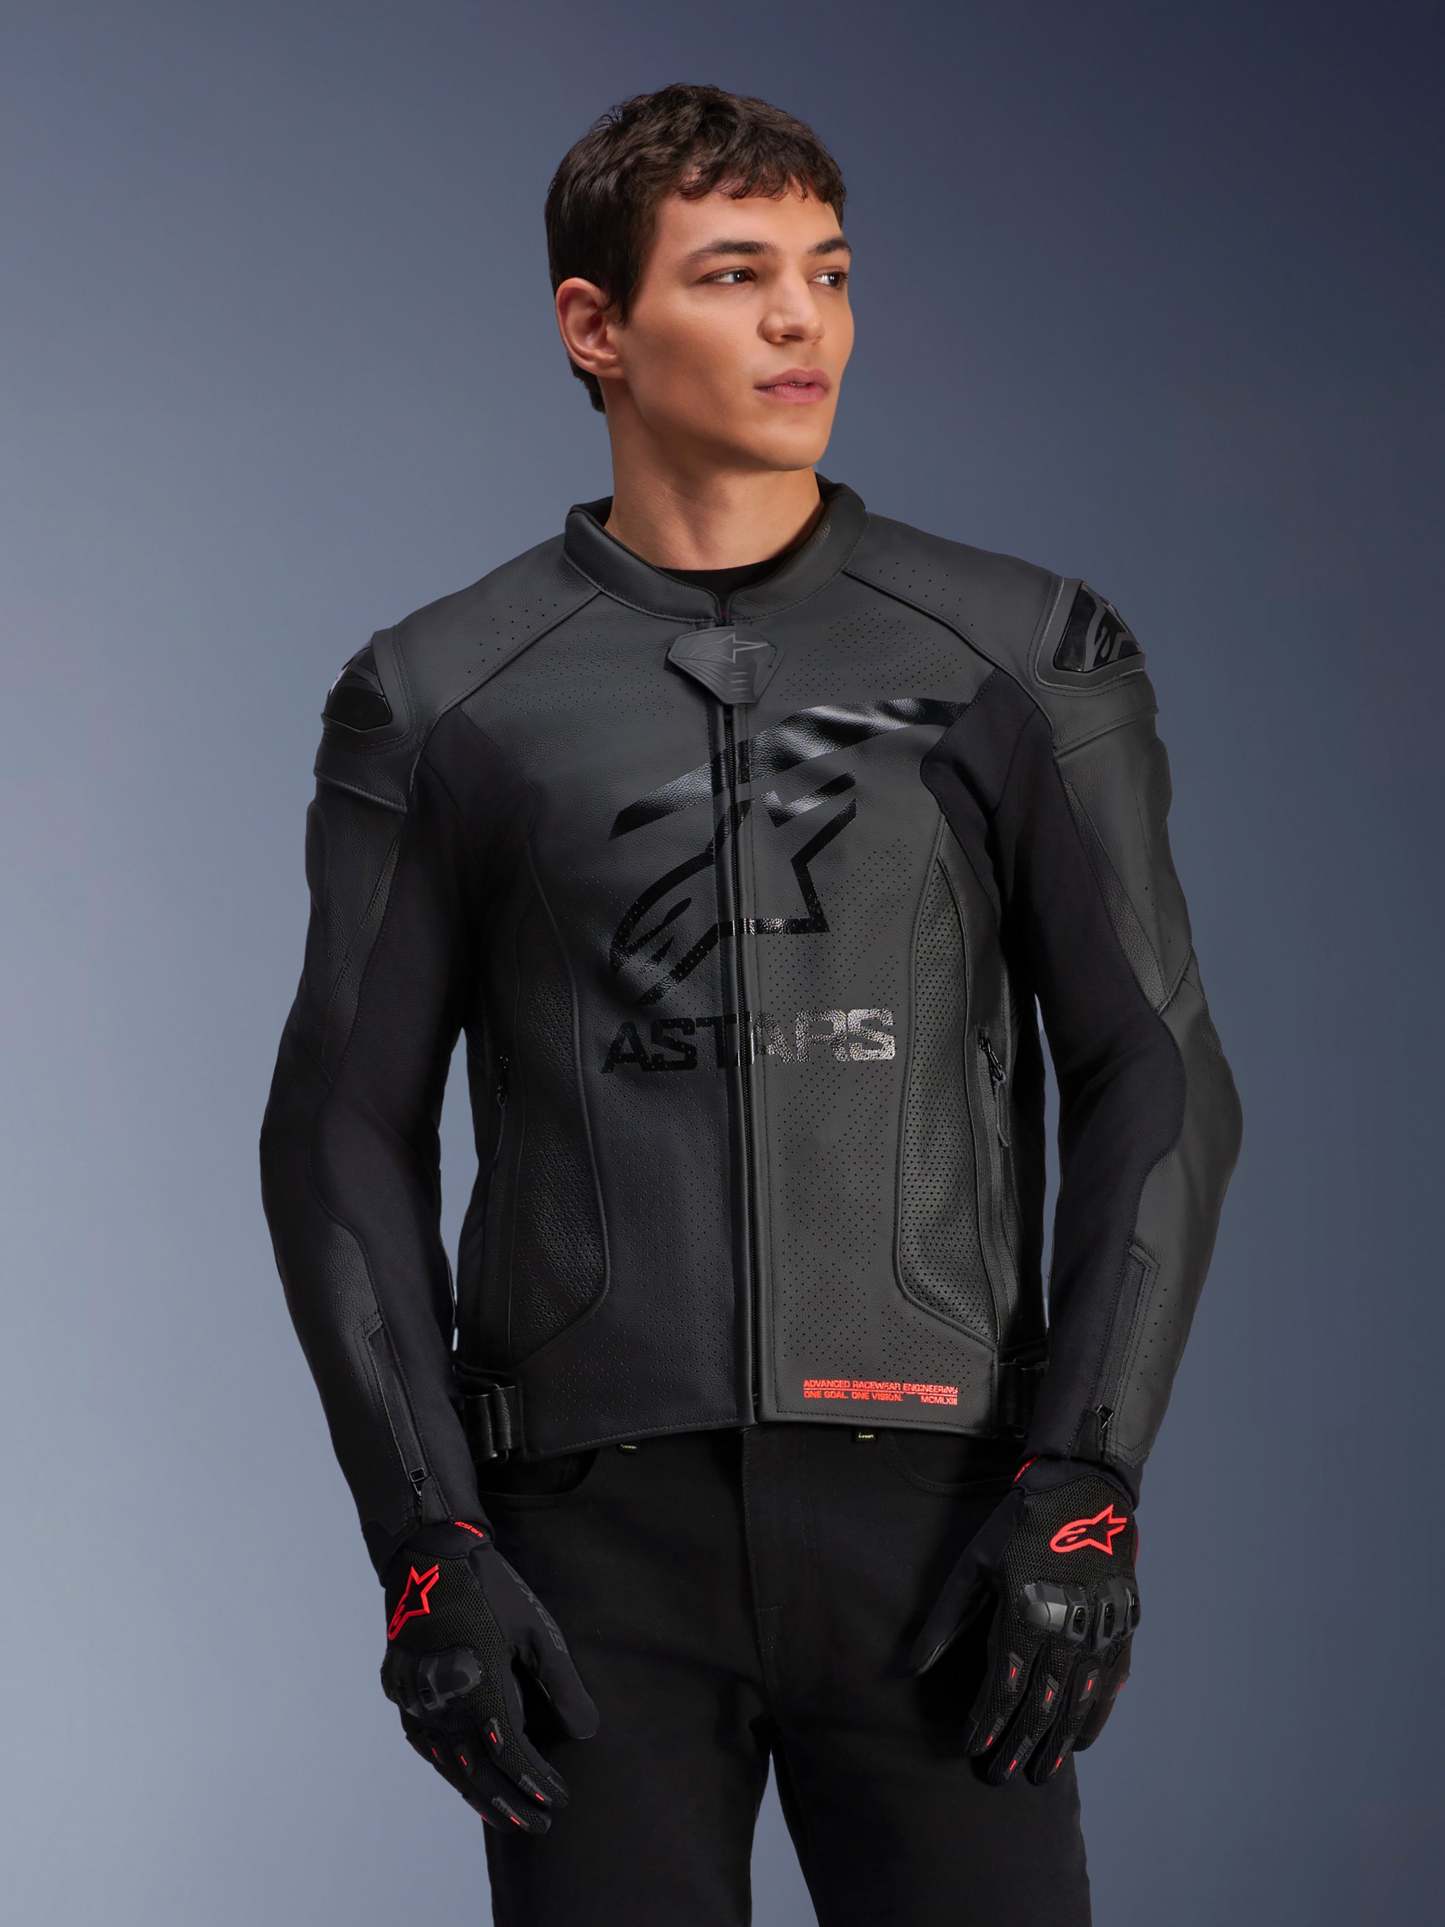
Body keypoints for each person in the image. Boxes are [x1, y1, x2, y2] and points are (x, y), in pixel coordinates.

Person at [258, 80, 1244, 1927]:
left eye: (829, 271)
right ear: (596, 327)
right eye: (733, 274)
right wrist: (425, 1539)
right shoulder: (441, 694)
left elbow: (1154, 1067)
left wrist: (1085, 1476)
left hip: (944, 1536)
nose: (804, 321)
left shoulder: (1021, 653)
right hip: (583, 1561)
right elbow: (339, 1131)